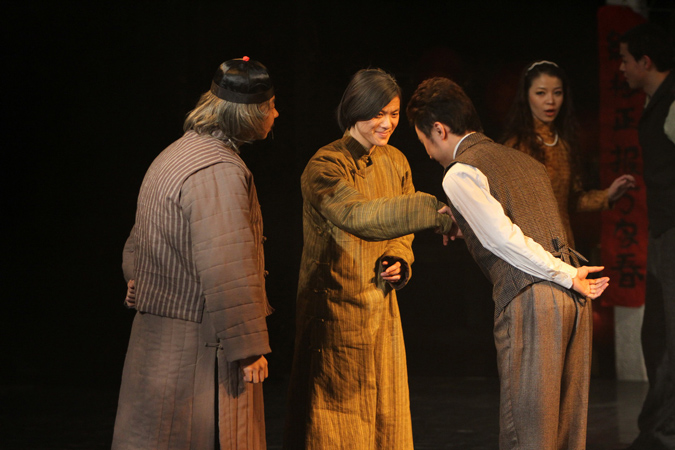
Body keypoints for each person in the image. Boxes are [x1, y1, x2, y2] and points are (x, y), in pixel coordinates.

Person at [407, 77, 610, 450]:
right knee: (567, 434)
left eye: (425, 143)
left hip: (535, 298)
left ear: (438, 130)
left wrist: (566, 275)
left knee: (528, 433)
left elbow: (504, 238)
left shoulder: (459, 172)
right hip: (573, 302)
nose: (430, 154)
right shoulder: (525, 162)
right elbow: (522, 220)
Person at [112, 57, 278, 450]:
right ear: (250, 113)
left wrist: (137, 280)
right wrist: (248, 349)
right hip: (193, 353)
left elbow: (137, 240)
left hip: (157, 342)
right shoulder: (218, 170)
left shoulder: (176, 153)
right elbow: (228, 267)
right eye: (271, 106)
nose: (276, 114)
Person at [283, 68, 453, 450]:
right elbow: (358, 216)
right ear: (354, 110)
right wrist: (437, 213)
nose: (387, 123)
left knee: (386, 420)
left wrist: (399, 257)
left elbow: (401, 232)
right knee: (337, 425)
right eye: (377, 113)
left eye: (393, 114)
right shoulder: (325, 165)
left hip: (381, 307)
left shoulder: (396, 160)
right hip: (335, 314)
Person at [501, 60, 635, 248]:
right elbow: (502, 206)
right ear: (526, 95)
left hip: (563, 245)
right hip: (529, 247)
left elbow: (572, 200)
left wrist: (608, 196)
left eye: (557, 93)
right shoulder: (516, 147)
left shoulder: (564, 145)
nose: (550, 101)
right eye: (541, 93)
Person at [619, 23, 675, 450]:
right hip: (663, 231)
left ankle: (662, 430)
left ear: (645, 61)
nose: (621, 69)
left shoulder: (672, 102)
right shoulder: (657, 102)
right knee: (656, 332)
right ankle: (657, 426)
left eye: (625, 60)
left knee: (669, 335)